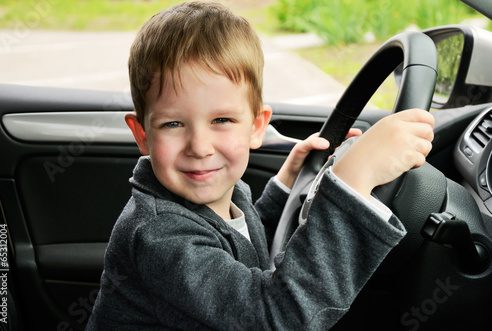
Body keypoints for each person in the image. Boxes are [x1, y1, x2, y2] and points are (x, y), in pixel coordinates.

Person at [86, 1, 434, 330]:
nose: (200, 147)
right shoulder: (159, 235)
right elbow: (278, 318)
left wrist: (289, 183)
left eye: (221, 119)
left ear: (256, 126)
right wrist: (352, 183)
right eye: (173, 124)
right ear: (142, 134)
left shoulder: (218, 194)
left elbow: (248, 249)